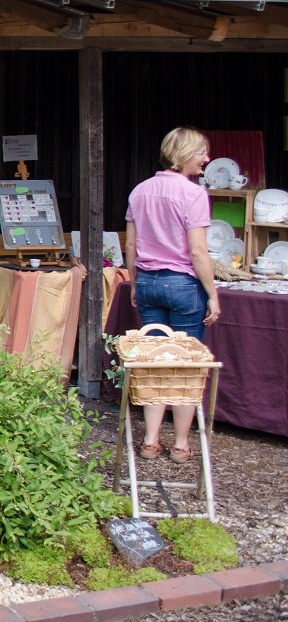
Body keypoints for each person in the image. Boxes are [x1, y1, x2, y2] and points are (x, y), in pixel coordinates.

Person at [124, 126, 220, 465]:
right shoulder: (193, 194)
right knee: (185, 365)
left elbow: (131, 245)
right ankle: (180, 443)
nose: (206, 158)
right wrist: (213, 294)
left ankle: (150, 440)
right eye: (201, 152)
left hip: (148, 281)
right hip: (183, 284)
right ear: (182, 156)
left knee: (154, 362)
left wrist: (135, 283)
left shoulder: (140, 191)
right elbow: (197, 251)